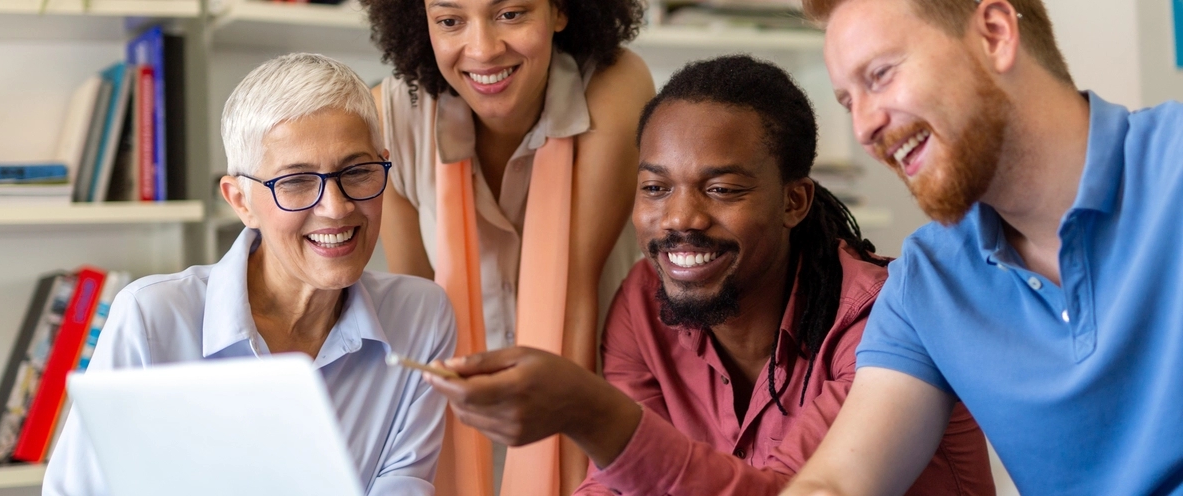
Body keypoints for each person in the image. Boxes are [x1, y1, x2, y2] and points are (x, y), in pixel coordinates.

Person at [423, 55, 996, 495]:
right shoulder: (645, 304)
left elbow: (789, 492)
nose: (679, 219)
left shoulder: (881, 321)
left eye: (722, 189)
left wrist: (590, 410)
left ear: (794, 202)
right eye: (655, 188)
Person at [778, 0, 1183, 494]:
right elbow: (838, 484)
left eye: (880, 75)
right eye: (848, 101)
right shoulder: (927, 282)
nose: (864, 129)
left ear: (994, 34)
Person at [42, 53, 456, 496]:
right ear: (240, 201)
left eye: (356, 172)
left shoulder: (421, 318)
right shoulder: (152, 319)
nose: (336, 208)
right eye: (295, 181)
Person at [359, 0, 655, 494]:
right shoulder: (391, 117)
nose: (482, 50)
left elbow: (573, 296)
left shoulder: (615, 84)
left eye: (510, 14)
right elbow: (416, 316)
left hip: (593, 415)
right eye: (450, 21)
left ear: (559, 10)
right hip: (458, 428)